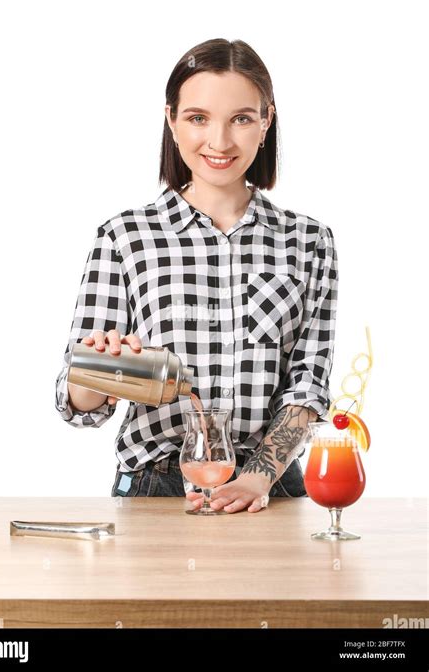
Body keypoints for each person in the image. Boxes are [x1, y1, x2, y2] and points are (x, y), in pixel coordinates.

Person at [55, 38, 338, 514]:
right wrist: (99, 374)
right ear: (172, 119)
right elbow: (77, 400)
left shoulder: (308, 240)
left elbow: (308, 383)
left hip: (270, 489)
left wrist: (257, 476)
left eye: (242, 119)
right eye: (198, 118)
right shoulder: (125, 237)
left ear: (267, 122)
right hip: (156, 486)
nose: (220, 142)